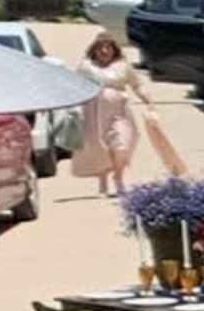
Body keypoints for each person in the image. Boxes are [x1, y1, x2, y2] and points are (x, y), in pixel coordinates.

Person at [69, 32, 185, 194]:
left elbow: (137, 85)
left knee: (122, 145)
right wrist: (72, 108)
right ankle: (102, 178)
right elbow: (74, 86)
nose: (104, 51)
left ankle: (118, 176)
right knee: (99, 148)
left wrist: (148, 101)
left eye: (108, 47)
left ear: (114, 49)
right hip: (94, 113)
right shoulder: (86, 66)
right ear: (94, 50)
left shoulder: (123, 66)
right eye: (100, 47)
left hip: (119, 112)